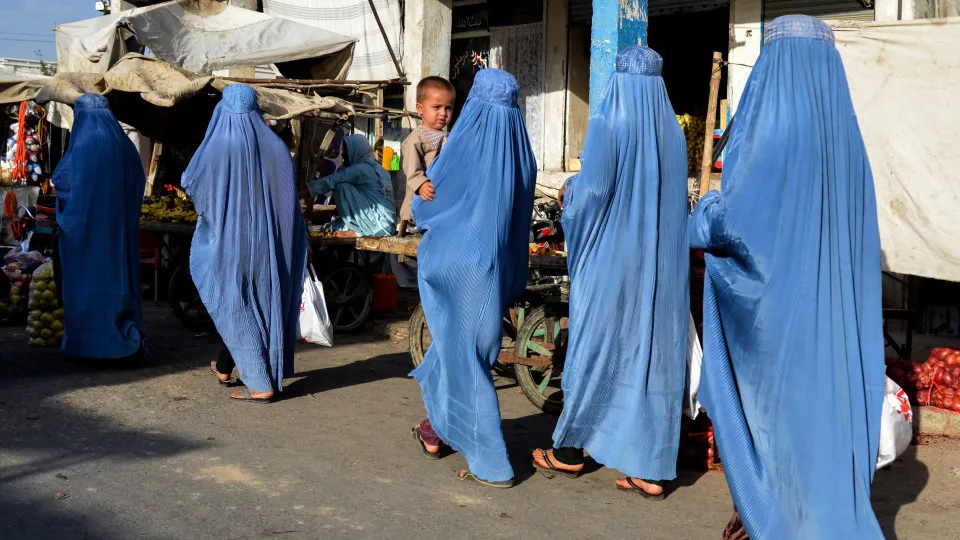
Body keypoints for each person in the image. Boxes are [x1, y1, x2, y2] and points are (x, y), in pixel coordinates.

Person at [690, 16, 884, 538]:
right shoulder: (847, 144)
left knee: (775, 420)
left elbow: (737, 226)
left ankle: (769, 513)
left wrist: (705, 211)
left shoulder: (769, 128)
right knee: (822, 418)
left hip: (776, 315)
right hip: (834, 318)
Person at [529, 46, 689, 499]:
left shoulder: (608, 122)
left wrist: (570, 191)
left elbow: (594, 192)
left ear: (617, 81)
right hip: (662, 265)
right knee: (652, 357)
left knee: (596, 348)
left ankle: (571, 450)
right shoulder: (671, 131)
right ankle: (653, 470)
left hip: (612, 262)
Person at [409, 69, 536, 488]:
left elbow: (429, 204)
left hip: (458, 264)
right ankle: (435, 429)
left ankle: (491, 461)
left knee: (462, 357)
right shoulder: (523, 153)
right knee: (465, 353)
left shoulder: (464, 144)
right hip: (495, 267)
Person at [183, 84, 308, 403]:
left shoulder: (217, 146)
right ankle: (228, 367)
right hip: (269, 250)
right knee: (262, 305)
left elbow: (191, 183)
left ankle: (259, 382)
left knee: (234, 306)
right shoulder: (276, 147)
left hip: (229, 246)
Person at [54, 94, 146, 359]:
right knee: (118, 279)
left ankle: (89, 344)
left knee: (86, 284)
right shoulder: (125, 145)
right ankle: (123, 337)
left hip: (85, 232)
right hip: (119, 231)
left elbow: (64, 181)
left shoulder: (83, 145)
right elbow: (138, 181)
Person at [305, 134, 396, 237]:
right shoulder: (378, 168)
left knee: (340, 185)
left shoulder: (362, 169)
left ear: (356, 151)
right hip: (387, 224)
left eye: (346, 151)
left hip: (379, 226)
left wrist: (298, 193)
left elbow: (331, 180)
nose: (342, 155)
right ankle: (356, 228)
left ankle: (356, 231)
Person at [398, 76, 455, 226]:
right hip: (420, 200)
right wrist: (421, 184)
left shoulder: (450, 137)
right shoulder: (417, 138)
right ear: (420, 109)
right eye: (436, 107)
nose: (443, 113)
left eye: (448, 108)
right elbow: (411, 167)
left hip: (440, 200)